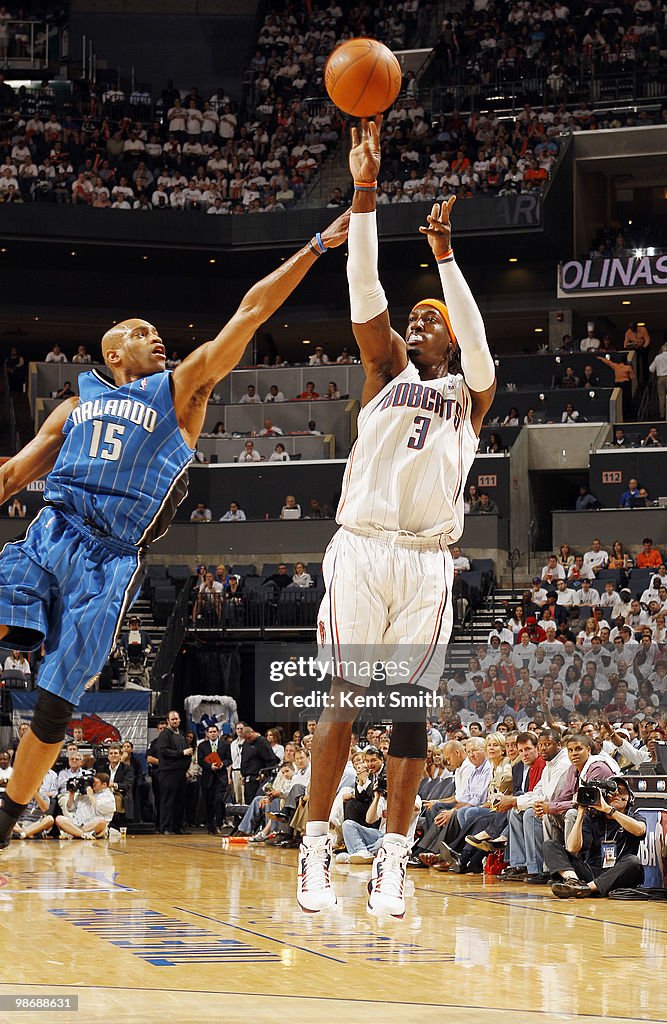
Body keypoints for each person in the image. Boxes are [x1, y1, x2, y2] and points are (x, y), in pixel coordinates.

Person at [0, 208, 350, 850]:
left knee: (55, 699)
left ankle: (2, 818)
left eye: (158, 331)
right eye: (142, 331)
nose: (156, 337)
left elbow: (248, 315)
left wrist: (316, 247)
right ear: (113, 351)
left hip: (108, 560)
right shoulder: (75, 404)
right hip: (51, 532)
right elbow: (13, 475)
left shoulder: (179, 389)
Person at [298, 117, 496, 918]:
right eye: (411, 319)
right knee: (342, 697)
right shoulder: (383, 369)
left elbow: (478, 344)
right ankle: (316, 844)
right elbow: (364, 288)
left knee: (409, 713)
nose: (418, 323)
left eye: (431, 319)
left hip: (426, 561)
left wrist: (447, 260)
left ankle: (393, 856)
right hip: (363, 547)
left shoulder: (469, 396)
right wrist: (367, 192)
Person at [544, 776, 645, 898]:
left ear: (629, 798)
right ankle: (574, 882)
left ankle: (587, 889)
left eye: (621, 791)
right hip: (591, 872)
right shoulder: (592, 819)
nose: (616, 793)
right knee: (549, 845)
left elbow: (639, 830)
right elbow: (572, 848)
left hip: (618, 875)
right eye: (612, 791)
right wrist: (581, 812)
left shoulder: (635, 817)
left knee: (633, 862)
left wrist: (609, 809)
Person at [155, 710, 192, 835]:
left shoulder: (181, 734)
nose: (175, 721)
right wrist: (181, 753)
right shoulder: (165, 735)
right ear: (168, 721)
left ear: (180, 720)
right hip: (168, 773)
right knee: (168, 801)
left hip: (181, 773)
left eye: (177, 719)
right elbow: (164, 752)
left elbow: (187, 750)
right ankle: (165, 827)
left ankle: (178, 826)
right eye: (172, 719)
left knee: (180, 801)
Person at [55, 771, 116, 839]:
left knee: (101, 822)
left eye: (95, 782)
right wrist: (71, 795)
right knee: (59, 819)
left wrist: (91, 796)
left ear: (104, 785)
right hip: (77, 824)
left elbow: (98, 809)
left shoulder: (109, 796)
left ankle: (73, 833)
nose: (92, 784)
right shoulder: (83, 794)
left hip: (91, 826)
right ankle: (82, 834)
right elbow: (70, 809)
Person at [197, 724, 231, 835]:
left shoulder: (225, 745)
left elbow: (229, 760)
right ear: (207, 733)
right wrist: (210, 766)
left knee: (218, 800)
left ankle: (218, 823)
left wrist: (222, 764)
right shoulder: (202, 746)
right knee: (208, 802)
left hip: (221, 778)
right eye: (210, 732)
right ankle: (210, 826)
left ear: (218, 733)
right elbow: (201, 761)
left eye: (214, 731)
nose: (212, 733)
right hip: (208, 777)